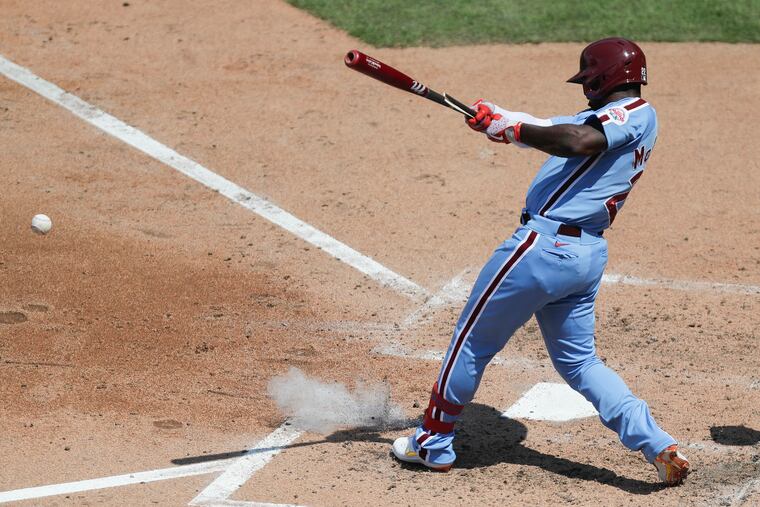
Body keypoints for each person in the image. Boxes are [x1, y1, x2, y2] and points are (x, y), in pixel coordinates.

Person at [392, 37, 690, 486]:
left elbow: (573, 139)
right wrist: (500, 119)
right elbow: (552, 127)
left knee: (471, 343)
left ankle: (432, 442)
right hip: (583, 256)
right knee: (581, 363)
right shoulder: (624, 118)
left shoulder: (631, 115)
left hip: (541, 250)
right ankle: (655, 442)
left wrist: (514, 130)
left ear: (601, 78)